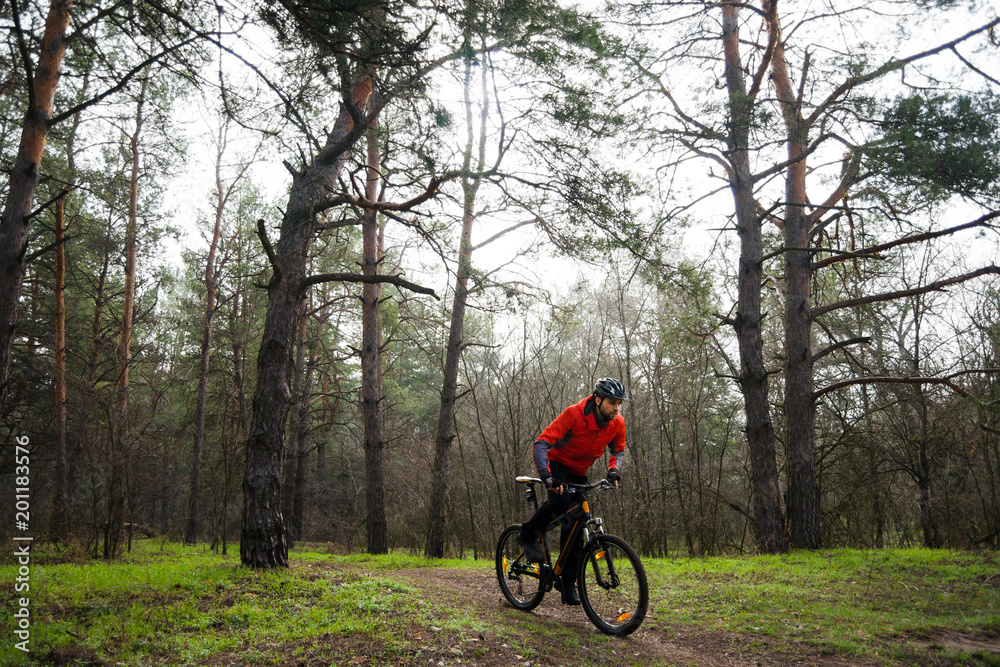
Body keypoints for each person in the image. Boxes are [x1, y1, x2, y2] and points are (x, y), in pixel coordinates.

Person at [517, 377, 627, 605]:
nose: (617, 407)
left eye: (620, 403)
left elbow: (617, 451)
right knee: (560, 501)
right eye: (612, 402)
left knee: (578, 523)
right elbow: (541, 444)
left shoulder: (617, 423)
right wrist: (547, 476)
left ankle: (566, 582)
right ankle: (528, 535)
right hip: (557, 464)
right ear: (598, 400)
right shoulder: (574, 414)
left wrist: (613, 471)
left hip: (579, 470)